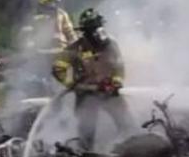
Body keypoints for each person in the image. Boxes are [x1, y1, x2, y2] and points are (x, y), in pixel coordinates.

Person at [52, 8, 133, 148]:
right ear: (86, 31)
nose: (99, 32)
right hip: (86, 97)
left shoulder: (110, 45)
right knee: (86, 134)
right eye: (94, 29)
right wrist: (73, 85)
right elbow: (58, 68)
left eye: (99, 27)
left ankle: (132, 154)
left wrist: (116, 83)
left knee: (128, 126)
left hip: (110, 93)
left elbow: (119, 66)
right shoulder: (76, 48)